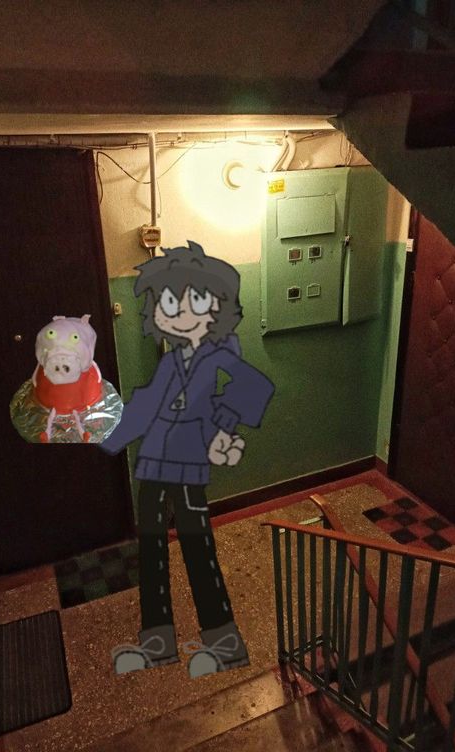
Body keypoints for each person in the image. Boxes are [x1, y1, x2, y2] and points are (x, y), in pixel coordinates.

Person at [101, 240, 275, 678]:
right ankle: (158, 641)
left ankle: (225, 643)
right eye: (169, 302)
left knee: (198, 549)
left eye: (194, 301)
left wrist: (221, 425)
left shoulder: (219, 354)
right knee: (151, 550)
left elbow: (254, 387)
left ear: (216, 308)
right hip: (153, 464)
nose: (180, 312)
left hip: (187, 466)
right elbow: (145, 406)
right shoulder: (170, 362)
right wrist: (108, 436)